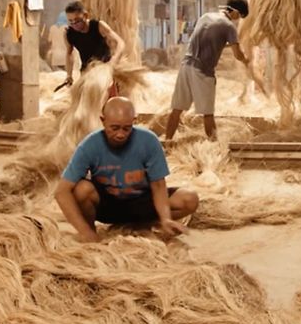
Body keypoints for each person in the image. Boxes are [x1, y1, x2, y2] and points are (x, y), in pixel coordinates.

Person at [55, 96, 198, 243]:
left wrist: (166, 218)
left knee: (189, 199)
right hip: (107, 205)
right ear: (103, 120)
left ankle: (143, 224)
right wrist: (84, 231)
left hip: (141, 202)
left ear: (134, 121)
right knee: (81, 189)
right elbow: (61, 192)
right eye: (114, 128)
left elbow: (158, 184)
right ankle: (92, 232)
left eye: (126, 128)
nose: (120, 134)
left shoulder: (149, 141)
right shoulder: (89, 145)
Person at [163, 0, 251, 141]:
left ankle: (167, 141)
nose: (238, 19)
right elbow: (237, 54)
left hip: (186, 66)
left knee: (177, 110)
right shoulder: (229, 26)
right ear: (234, 11)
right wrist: (247, 61)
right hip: (202, 71)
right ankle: (214, 147)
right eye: (239, 16)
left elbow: (210, 40)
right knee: (208, 113)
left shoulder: (206, 16)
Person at [61, 0, 124, 88]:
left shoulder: (98, 26)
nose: (74, 25)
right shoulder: (69, 33)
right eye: (71, 22)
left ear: (85, 15)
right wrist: (69, 75)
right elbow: (69, 53)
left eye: (77, 21)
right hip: (86, 72)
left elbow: (120, 42)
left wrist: (113, 61)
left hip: (105, 70)